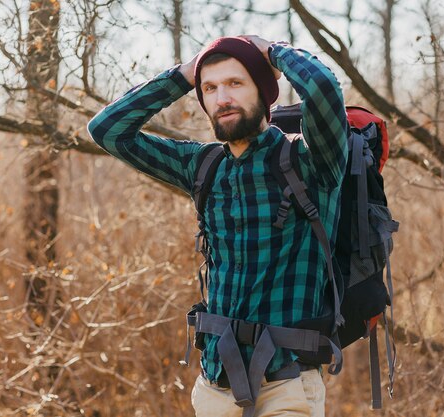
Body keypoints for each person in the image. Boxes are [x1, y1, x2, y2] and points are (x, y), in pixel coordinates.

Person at [87, 35, 347, 417]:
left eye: (235, 83)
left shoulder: (311, 162)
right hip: (214, 388)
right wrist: (181, 75)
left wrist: (273, 51)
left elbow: (323, 87)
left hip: (287, 388)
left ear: (265, 91)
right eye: (210, 88)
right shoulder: (203, 165)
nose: (221, 97)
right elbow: (108, 131)